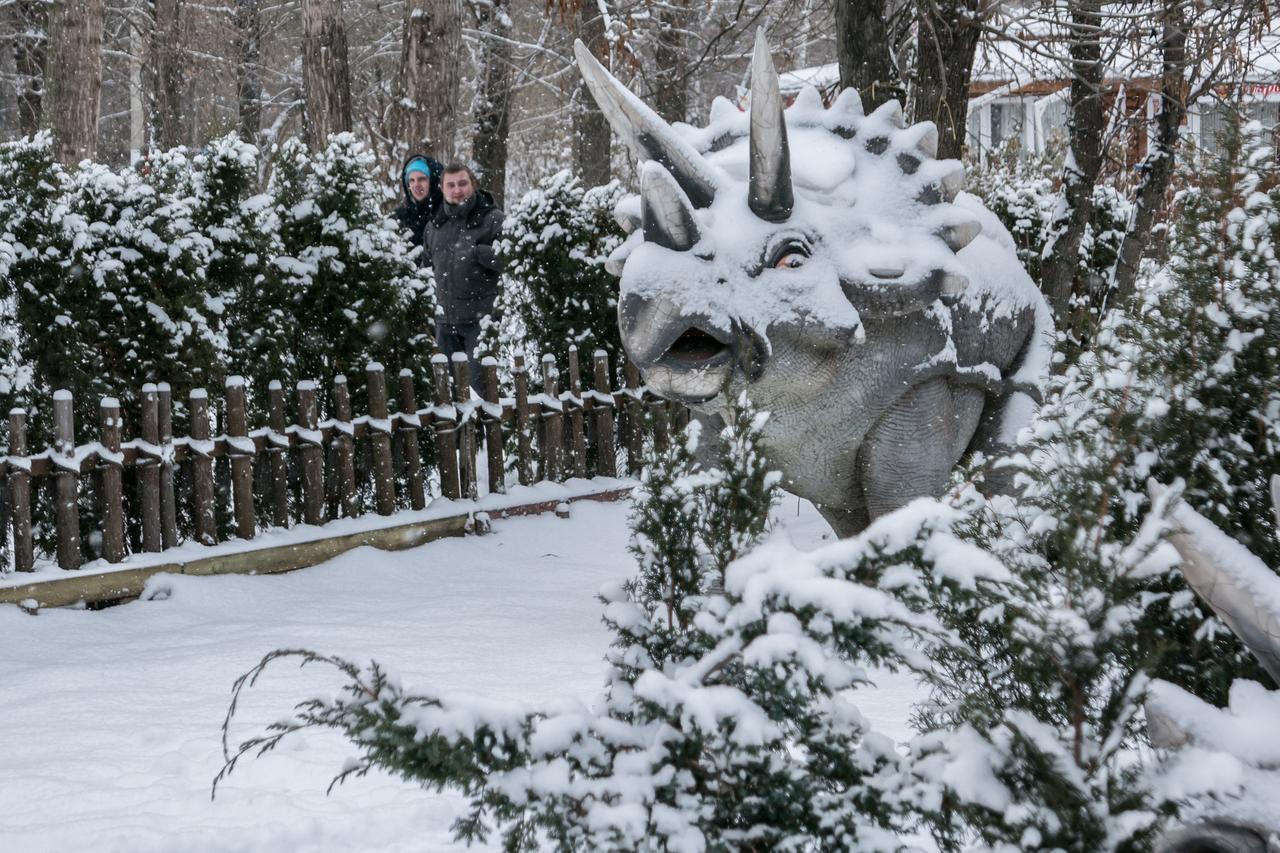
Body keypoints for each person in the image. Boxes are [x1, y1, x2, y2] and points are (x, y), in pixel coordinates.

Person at [422, 163, 503, 393]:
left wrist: (481, 254)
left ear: (473, 184)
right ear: (442, 188)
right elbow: (426, 270)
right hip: (444, 324)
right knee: (446, 393)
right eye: (451, 185)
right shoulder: (435, 225)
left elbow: (511, 260)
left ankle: (485, 429)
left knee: (480, 392)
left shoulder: (493, 219)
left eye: (462, 183)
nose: (457, 190)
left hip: (480, 322)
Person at [393, 154, 443, 248]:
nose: (416, 185)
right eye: (411, 180)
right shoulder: (398, 219)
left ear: (434, 182)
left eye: (422, 179)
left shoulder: (447, 215)